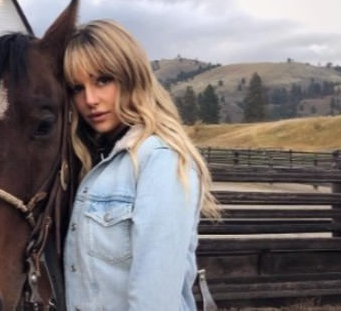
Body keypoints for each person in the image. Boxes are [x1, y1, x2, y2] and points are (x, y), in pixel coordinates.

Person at [62, 19, 221, 310]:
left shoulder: (160, 160)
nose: (90, 100)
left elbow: (155, 298)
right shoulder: (91, 163)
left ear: (130, 76)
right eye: (76, 87)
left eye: (102, 80)